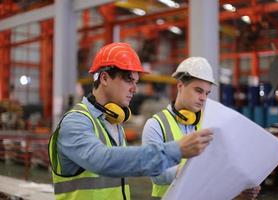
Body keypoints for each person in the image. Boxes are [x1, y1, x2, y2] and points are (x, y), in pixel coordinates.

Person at [48, 43, 213, 200]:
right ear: (104, 78)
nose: (134, 88)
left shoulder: (114, 122)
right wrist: (176, 150)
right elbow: (102, 160)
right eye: (128, 80)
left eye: (136, 82)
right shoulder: (75, 122)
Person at [142, 57, 261, 199]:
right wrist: (188, 172)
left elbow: (218, 169)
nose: (203, 98)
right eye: (198, 91)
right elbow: (155, 173)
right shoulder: (156, 125)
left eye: (206, 93)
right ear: (180, 86)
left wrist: (240, 188)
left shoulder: (208, 124)